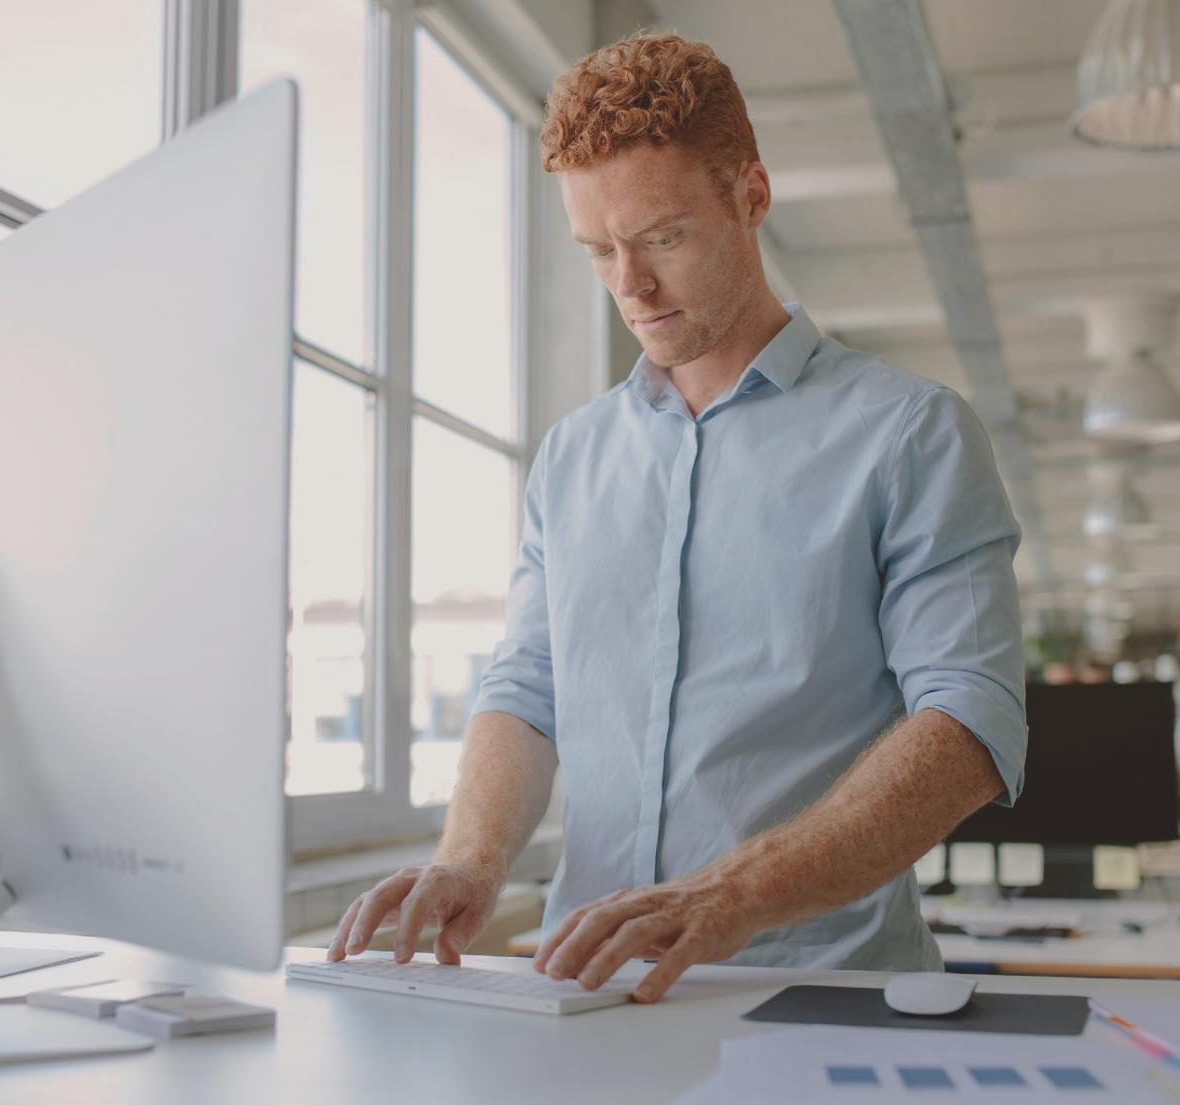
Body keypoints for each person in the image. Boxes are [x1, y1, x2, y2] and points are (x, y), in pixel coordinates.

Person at [328, 31, 1026, 1004]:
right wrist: (471, 860)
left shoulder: (908, 432)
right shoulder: (572, 458)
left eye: (662, 237)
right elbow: (529, 687)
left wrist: (734, 891)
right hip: (588, 993)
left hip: (825, 997)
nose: (631, 285)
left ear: (751, 195)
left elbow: (966, 722)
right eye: (597, 250)